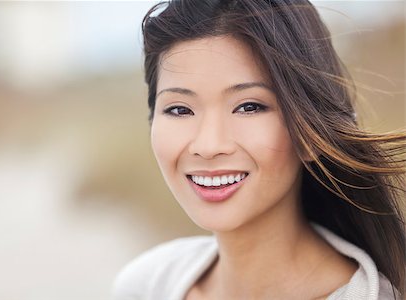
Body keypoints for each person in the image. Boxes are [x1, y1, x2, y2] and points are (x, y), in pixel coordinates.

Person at [112, 0, 406, 299]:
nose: (209, 146)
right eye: (179, 109)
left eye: (249, 107)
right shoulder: (146, 285)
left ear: (309, 133)